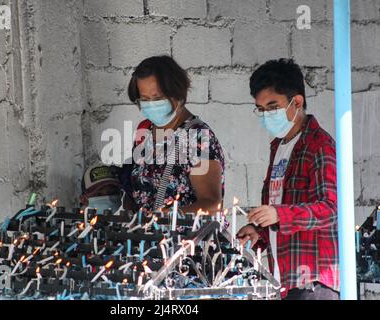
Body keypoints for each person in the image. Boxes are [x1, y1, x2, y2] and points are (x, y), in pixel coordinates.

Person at [237, 58, 339, 300]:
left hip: (313, 281)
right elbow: (282, 215)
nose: (266, 115)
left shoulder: (319, 145)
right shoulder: (279, 146)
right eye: (260, 109)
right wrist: (259, 231)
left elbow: (331, 209)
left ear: (297, 102)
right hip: (283, 279)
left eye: (272, 106)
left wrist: (279, 214)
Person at [126, 55, 225, 215]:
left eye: (158, 98)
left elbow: (212, 204)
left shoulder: (197, 137)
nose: (151, 104)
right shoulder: (145, 131)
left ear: (178, 93)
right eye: (144, 99)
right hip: (146, 237)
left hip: (187, 238)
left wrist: (169, 216)